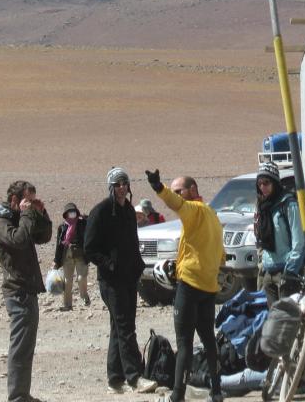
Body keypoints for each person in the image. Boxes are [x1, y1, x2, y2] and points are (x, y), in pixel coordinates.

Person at [145, 168, 224, 402]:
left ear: (192, 190)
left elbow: (175, 203)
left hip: (189, 285)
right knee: (209, 340)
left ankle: (176, 396)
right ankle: (217, 392)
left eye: (180, 190)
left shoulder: (194, 210)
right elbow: (221, 255)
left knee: (184, 343)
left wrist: (159, 187)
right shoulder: (212, 214)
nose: (177, 195)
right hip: (208, 287)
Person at [84, 167, 157, 395]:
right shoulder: (101, 211)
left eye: (125, 184)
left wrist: (138, 266)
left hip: (128, 278)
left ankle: (115, 379)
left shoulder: (127, 212)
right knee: (126, 327)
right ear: (111, 187)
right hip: (111, 281)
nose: (122, 188)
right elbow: (90, 249)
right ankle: (135, 378)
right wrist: (110, 264)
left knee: (118, 328)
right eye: (118, 184)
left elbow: (132, 242)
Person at [0, 179, 53, 402]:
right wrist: (27, 215)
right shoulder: (0, 222)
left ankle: (22, 394)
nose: (29, 204)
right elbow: (19, 240)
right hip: (16, 291)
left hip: (29, 289)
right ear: (15, 199)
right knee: (20, 348)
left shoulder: (20, 218)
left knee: (27, 347)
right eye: (27, 199)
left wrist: (40, 213)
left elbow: (43, 237)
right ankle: (17, 396)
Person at [253, 161, 305, 304]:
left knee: (287, 322)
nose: (263, 187)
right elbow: (259, 240)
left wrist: (290, 271)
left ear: (275, 183)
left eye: (266, 182)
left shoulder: (288, 204)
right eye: (260, 183)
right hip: (268, 273)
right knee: (273, 322)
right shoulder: (263, 207)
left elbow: (299, 241)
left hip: (286, 273)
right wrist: (262, 267)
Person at [52, 202, 90, 311]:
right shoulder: (62, 227)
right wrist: (56, 260)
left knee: (81, 277)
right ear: (66, 214)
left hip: (81, 255)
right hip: (66, 255)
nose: (72, 214)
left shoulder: (82, 223)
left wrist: (84, 216)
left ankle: (85, 297)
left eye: (73, 212)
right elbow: (59, 245)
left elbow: (91, 221)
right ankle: (67, 305)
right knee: (67, 281)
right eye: (69, 212)